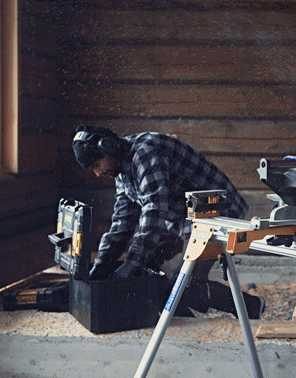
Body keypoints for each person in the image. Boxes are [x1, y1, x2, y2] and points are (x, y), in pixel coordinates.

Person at [72, 125, 265, 319]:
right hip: (180, 217)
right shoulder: (120, 170)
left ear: (107, 146)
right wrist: (102, 264)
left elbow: (155, 210)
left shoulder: (145, 153)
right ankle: (182, 319)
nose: (98, 173)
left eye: (96, 165)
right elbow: (123, 219)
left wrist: (132, 262)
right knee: (147, 270)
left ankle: (251, 306)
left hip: (215, 212)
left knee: (184, 285)